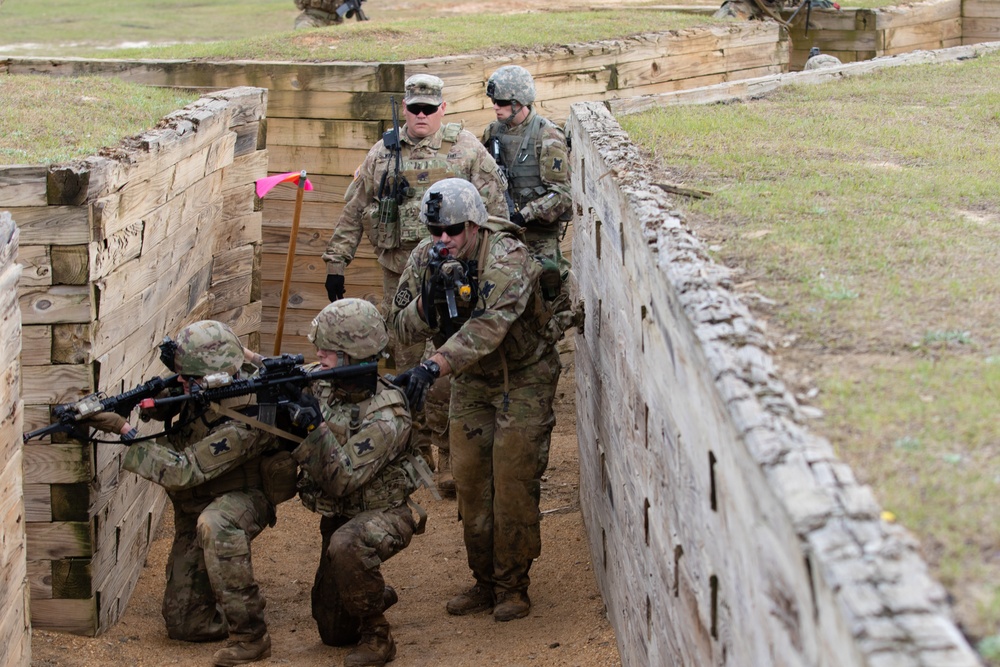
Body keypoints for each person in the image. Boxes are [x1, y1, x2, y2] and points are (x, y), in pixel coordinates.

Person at [389, 178, 563, 622]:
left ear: (474, 226)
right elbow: (398, 324)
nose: (442, 240)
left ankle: (512, 584)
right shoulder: (424, 260)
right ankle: (484, 581)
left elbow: (487, 329)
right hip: (470, 381)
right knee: (470, 483)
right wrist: (426, 307)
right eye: (435, 231)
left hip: (523, 377)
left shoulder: (508, 257)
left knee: (512, 483)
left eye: (452, 231)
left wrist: (432, 367)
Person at [323, 72, 508, 485]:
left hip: (454, 272)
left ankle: (447, 448)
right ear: (404, 108)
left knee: (448, 355)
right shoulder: (383, 154)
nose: (421, 115)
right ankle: (414, 447)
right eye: (414, 108)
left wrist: (491, 260)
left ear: (442, 108)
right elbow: (355, 207)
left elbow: (495, 207)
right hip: (399, 271)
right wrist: (337, 261)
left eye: (429, 108)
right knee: (403, 356)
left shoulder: (466, 150)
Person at [85, 320, 292, 667]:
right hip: (196, 499)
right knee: (185, 624)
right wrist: (152, 403)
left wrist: (124, 429)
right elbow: (177, 403)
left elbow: (184, 469)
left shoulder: (253, 416)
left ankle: (251, 635)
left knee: (216, 525)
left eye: (188, 378)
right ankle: (224, 591)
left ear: (216, 376)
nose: (181, 382)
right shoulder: (208, 386)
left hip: (241, 498)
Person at [286, 298, 428, 666]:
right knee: (333, 632)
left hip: (385, 513)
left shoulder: (388, 415)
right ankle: (372, 591)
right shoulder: (326, 384)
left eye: (329, 350)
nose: (319, 355)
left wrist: (313, 429)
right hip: (341, 514)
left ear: (354, 356)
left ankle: (378, 636)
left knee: (346, 544)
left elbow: (343, 479)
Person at [482, 65, 572, 268]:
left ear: (519, 103)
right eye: (494, 101)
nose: (496, 107)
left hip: (538, 234)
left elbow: (562, 194)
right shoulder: (493, 133)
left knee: (548, 283)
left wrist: (525, 215)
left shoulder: (547, 136)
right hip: (502, 231)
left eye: (502, 102)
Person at [293, 0, 366, 29]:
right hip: (312, 18)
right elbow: (300, 5)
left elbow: (341, 12)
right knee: (302, 30)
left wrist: (351, 6)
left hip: (336, 21)